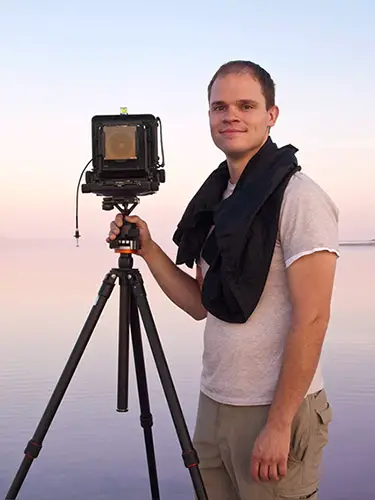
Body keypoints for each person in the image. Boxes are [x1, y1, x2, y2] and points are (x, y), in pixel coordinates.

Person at [107, 60, 339, 500]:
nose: (230, 115)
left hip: (272, 412)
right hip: (214, 404)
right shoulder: (219, 202)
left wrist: (279, 423)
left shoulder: (300, 197)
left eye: (246, 105)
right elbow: (200, 304)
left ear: (271, 115)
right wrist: (149, 249)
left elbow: (313, 319)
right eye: (219, 107)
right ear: (209, 117)